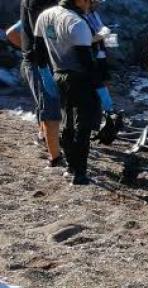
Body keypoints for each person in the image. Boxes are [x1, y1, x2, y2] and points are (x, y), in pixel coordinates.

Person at [33, 0, 112, 186]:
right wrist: (103, 92)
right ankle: (80, 174)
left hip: (58, 75)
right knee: (83, 127)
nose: (90, 5)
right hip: (80, 79)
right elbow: (87, 64)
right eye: (90, 1)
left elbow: (39, 51)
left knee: (67, 123)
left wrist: (46, 75)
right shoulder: (77, 23)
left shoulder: (45, 16)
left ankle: (70, 167)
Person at [20, 0, 63, 170]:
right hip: (42, 62)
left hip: (37, 60)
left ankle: (43, 137)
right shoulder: (39, 2)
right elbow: (44, 34)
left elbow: (14, 32)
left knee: (45, 105)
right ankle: (55, 158)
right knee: (50, 110)